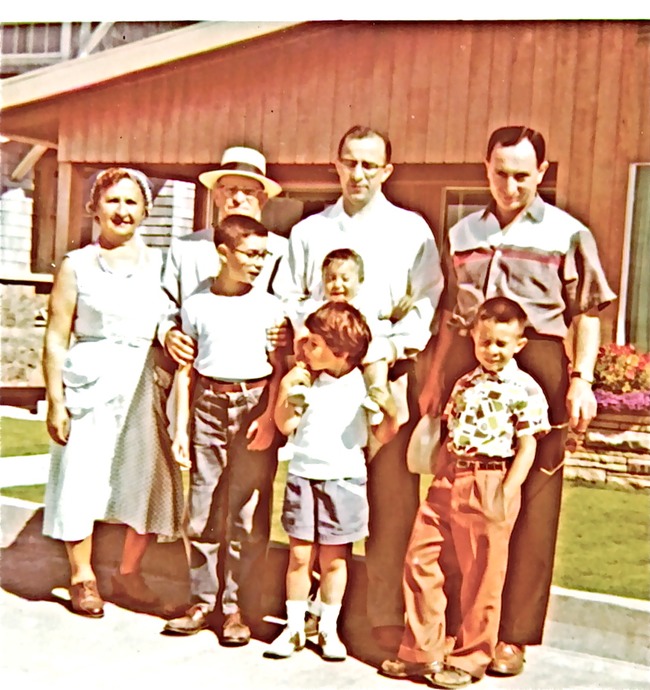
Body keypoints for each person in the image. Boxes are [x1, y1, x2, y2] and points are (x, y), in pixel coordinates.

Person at [418, 126, 616, 676]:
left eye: (523, 175)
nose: (510, 184)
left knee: (530, 502)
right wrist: (437, 379)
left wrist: (581, 380)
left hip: (541, 365)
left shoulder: (567, 232)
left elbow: (586, 313)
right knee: (463, 500)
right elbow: (452, 317)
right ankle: (463, 628)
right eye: (501, 172)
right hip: (469, 361)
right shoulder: (462, 232)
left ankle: (514, 636)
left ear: (542, 173)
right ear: (485, 168)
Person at [273, 125, 444, 650]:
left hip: (383, 373)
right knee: (315, 489)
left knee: (388, 501)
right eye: (350, 162)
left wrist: (390, 349)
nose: (359, 173)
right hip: (322, 378)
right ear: (336, 165)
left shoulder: (410, 230)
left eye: (371, 164)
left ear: (387, 171)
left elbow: (427, 300)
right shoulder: (309, 231)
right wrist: (315, 340)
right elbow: (287, 296)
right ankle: (308, 618)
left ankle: (384, 617)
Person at [381, 297, 550, 689]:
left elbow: (528, 446)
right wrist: (441, 474)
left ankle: (472, 657)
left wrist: (507, 494)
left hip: (491, 481)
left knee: (482, 576)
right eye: (485, 341)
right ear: (474, 336)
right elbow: (452, 433)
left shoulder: (523, 388)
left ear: (518, 345)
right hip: (449, 477)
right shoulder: (465, 383)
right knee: (420, 559)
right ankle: (421, 652)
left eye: (501, 344)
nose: (492, 350)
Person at [42, 167, 184, 618]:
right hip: (91, 382)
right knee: (81, 477)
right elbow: (56, 337)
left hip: (142, 383)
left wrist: (169, 334)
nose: (122, 211)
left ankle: (128, 572)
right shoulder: (76, 265)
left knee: (142, 479)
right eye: (113, 201)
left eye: (131, 202)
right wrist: (56, 400)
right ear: (94, 208)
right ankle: (82, 577)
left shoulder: (161, 263)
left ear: (145, 210)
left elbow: (167, 318)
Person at [164, 215, 287, 645]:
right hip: (208, 406)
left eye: (264, 255)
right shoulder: (197, 304)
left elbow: (280, 372)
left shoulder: (271, 308)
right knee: (201, 508)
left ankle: (237, 607)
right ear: (223, 253)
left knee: (247, 512)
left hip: (253, 405)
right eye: (251, 254)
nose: (259, 263)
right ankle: (201, 599)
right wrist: (180, 429)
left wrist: (269, 418)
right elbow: (186, 372)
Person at [266, 301, 398, 661]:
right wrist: (286, 393)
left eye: (313, 343)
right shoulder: (305, 379)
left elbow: (384, 434)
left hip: (344, 481)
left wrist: (389, 409)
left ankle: (327, 628)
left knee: (335, 561)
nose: (304, 348)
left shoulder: (363, 386)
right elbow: (286, 426)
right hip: (304, 476)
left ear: (339, 351)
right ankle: (293, 628)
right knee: (299, 557)